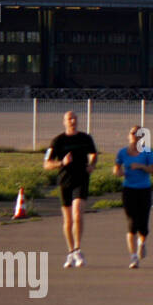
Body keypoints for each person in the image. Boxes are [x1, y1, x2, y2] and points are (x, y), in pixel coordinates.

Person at [43, 110, 97, 268]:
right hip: (65, 181)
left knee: (78, 214)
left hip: (81, 180)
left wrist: (92, 165)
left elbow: (93, 154)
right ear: (64, 122)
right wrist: (62, 163)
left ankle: (78, 250)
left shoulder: (85, 138)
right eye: (69, 119)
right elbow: (47, 164)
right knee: (67, 220)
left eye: (74, 118)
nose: (72, 121)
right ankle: (71, 252)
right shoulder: (58, 141)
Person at [113, 125, 153, 269]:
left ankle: (142, 242)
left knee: (143, 225)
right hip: (129, 190)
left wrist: (142, 167)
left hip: (144, 190)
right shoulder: (122, 152)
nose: (134, 135)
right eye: (132, 133)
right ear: (128, 136)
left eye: (137, 133)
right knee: (131, 223)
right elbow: (116, 169)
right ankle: (133, 257)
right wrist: (119, 172)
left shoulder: (146, 152)